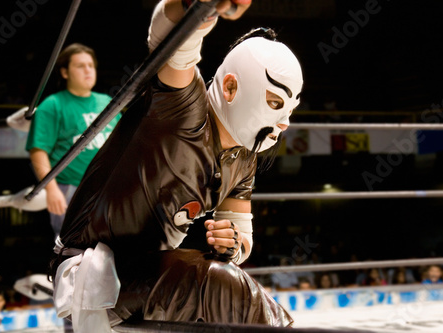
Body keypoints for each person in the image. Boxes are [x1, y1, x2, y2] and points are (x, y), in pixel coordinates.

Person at [49, 0, 303, 331]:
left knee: (223, 283)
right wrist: (196, 5)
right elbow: (169, 41)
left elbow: (241, 238)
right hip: (89, 269)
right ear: (229, 87)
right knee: (226, 286)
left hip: (144, 274)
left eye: (291, 109)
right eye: (274, 102)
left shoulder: (244, 158)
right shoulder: (182, 109)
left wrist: (232, 243)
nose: (284, 123)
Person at [26, 43, 122, 240]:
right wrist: (51, 189)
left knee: (109, 248)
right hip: (69, 189)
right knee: (72, 249)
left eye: (90, 65)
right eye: (80, 66)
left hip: (107, 188)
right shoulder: (52, 105)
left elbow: (123, 145)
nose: (88, 70)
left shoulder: (107, 102)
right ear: (64, 72)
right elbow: (38, 151)